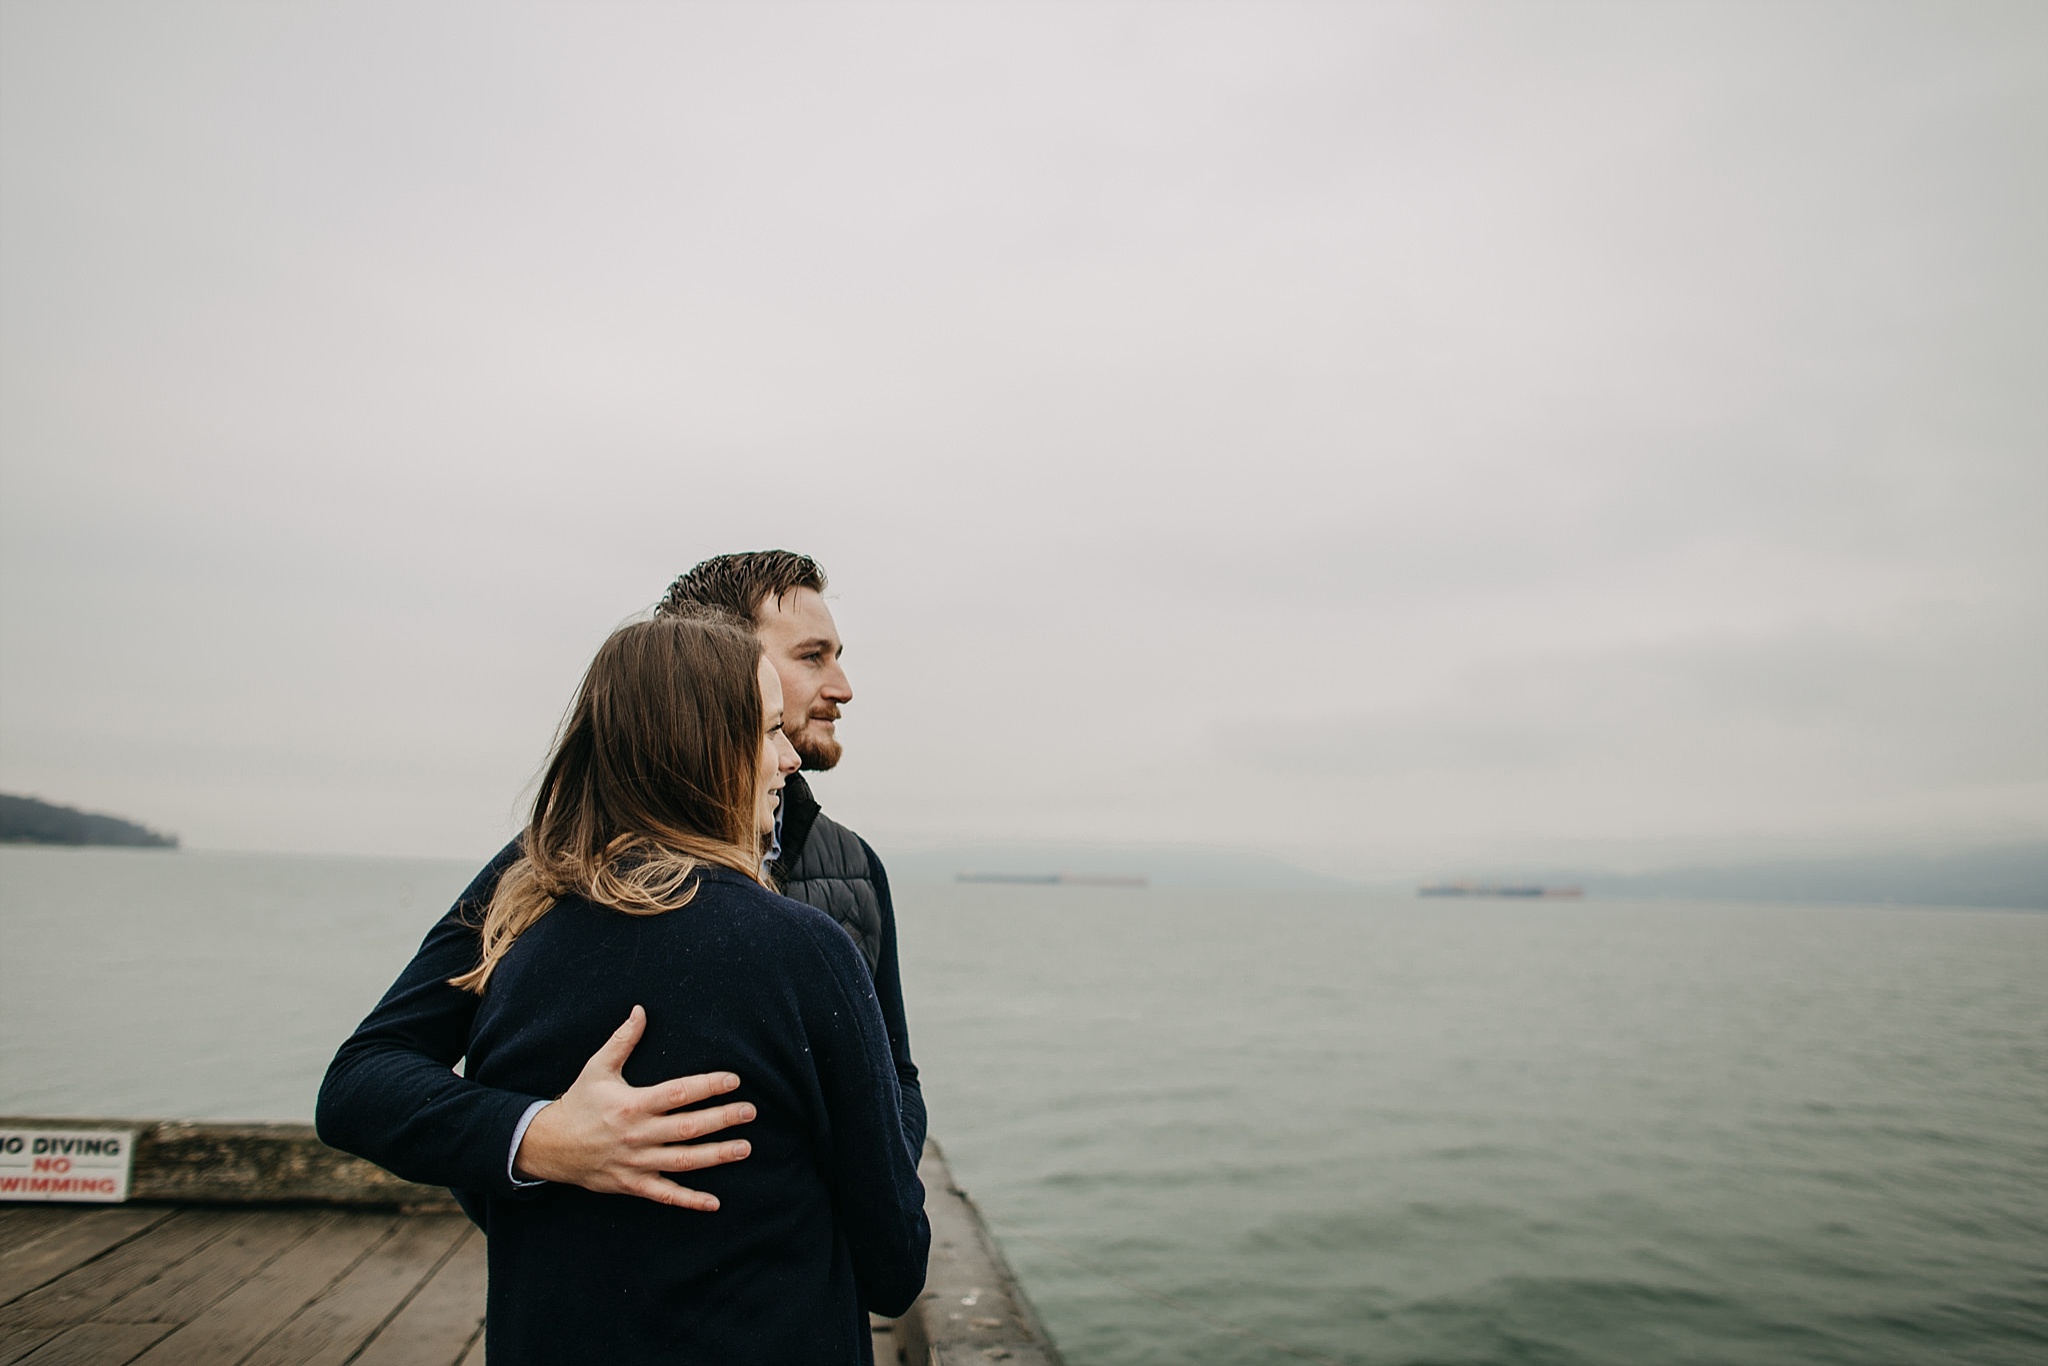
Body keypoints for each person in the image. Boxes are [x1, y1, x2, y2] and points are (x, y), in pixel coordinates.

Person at [318, 550, 920, 1211]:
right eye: (813, 656)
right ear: (715, 661)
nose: (843, 685)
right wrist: (540, 1139)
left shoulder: (855, 868)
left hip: (799, 1301)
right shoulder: (554, 865)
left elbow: (897, 1082)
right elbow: (363, 1083)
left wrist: (854, 1215)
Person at [447, 611, 926, 1362]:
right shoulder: (804, 952)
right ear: (703, 750)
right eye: (768, 733)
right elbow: (895, 1263)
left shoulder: (512, 941)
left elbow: (483, 1188)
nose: (787, 760)